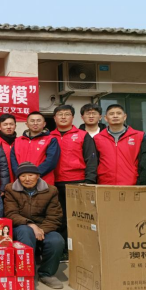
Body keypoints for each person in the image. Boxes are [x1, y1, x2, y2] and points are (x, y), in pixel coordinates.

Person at [4, 162, 65, 289]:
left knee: (56, 240)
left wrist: (41, 230)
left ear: (38, 176)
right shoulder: (11, 189)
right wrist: (31, 225)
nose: (27, 179)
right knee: (26, 232)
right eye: (23, 176)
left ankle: (46, 273)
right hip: (20, 226)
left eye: (31, 175)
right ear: (18, 178)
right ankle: (27, 275)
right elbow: (11, 214)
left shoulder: (51, 191)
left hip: (44, 227)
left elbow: (54, 216)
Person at [50, 105, 97, 257]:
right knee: (59, 218)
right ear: (54, 118)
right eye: (60, 114)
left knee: (78, 219)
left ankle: (80, 252)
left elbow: (91, 160)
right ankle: (63, 250)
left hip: (77, 182)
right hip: (54, 183)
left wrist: (89, 181)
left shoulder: (83, 135)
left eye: (67, 114)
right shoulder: (49, 136)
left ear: (73, 117)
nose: (63, 117)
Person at [94, 104, 146, 185]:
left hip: (131, 183)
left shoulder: (139, 136)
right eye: (111, 114)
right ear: (106, 118)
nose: (115, 116)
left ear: (124, 117)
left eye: (118, 113)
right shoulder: (97, 138)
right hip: (105, 183)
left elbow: (144, 161)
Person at [11, 112, 60, 185]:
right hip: (22, 182)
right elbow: (13, 160)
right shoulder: (18, 140)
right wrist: (21, 175)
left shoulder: (51, 140)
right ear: (27, 124)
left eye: (38, 121)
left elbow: (51, 161)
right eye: (32, 121)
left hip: (43, 182)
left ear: (44, 124)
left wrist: (35, 175)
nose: (35, 123)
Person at [0, 113, 18, 182]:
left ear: (15, 126)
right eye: (5, 124)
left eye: (11, 124)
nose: (8, 127)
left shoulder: (20, 142)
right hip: (1, 182)